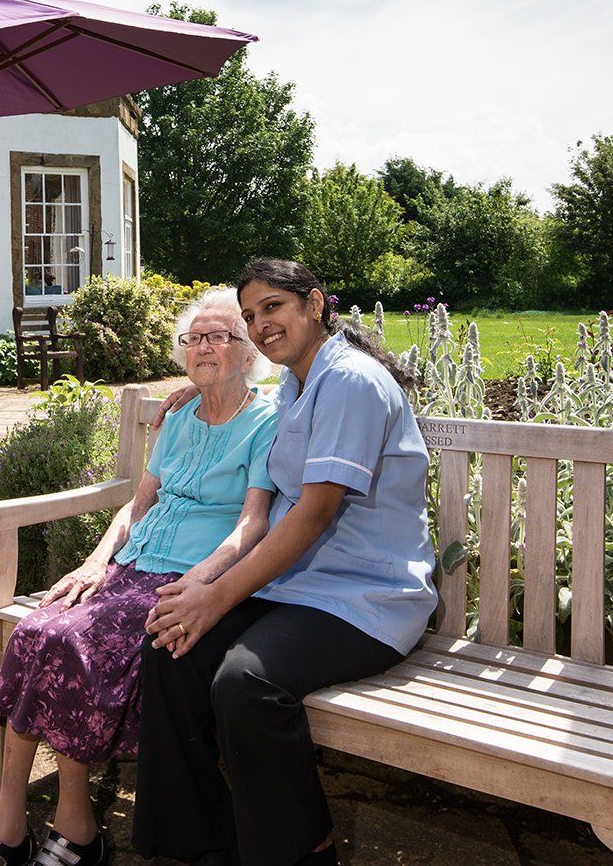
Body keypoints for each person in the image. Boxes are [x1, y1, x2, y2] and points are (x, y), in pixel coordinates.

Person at [132, 258, 436, 866]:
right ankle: (204, 841)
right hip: (303, 588)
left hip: (367, 600)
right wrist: (204, 385)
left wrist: (217, 594)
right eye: (250, 315)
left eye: (273, 306)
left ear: (315, 304)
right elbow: (255, 406)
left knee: (247, 683)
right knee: (169, 647)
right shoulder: (299, 382)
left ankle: (303, 850)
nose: (261, 323)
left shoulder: (351, 380)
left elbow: (313, 515)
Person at [0, 288, 280, 866]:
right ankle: (10, 820)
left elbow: (253, 522)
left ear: (247, 352)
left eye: (219, 336)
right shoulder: (180, 415)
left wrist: (202, 581)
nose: (203, 347)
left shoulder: (267, 419)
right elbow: (136, 505)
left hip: (185, 581)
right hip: (128, 567)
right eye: (193, 338)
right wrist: (96, 561)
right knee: (38, 629)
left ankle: (75, 826)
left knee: (67, 640)